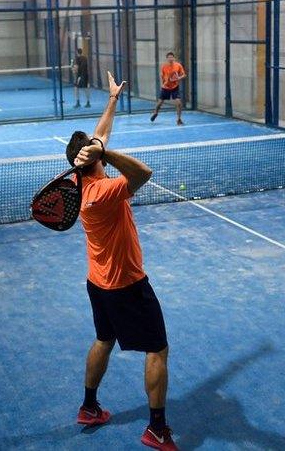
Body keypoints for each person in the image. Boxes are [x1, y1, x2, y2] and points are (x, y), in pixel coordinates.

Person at [67, 71, 178, 450]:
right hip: (126, 284)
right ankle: (157, 429)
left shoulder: (79, 184)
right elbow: (144, 173)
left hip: (97, 283)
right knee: (157, 348)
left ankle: (89, 406)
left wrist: (112, 100)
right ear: (94, 161)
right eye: (98, 152)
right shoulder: (104, 191)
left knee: (104, 337)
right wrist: (107, 154)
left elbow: (102, 134)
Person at [150, 52, 186, 125]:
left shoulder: (178, 65)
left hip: (175, 87)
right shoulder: (164, 67)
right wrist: (165, 82)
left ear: (174, 58)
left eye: (172, 57)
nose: (170, 58)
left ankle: (179, 119)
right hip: (166, 87)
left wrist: (179, 77)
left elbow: (184, 75)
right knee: (159, 103)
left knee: (179, 103)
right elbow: (162, 76)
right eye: (169, 57)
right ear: (167, 59)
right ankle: (155, 113)